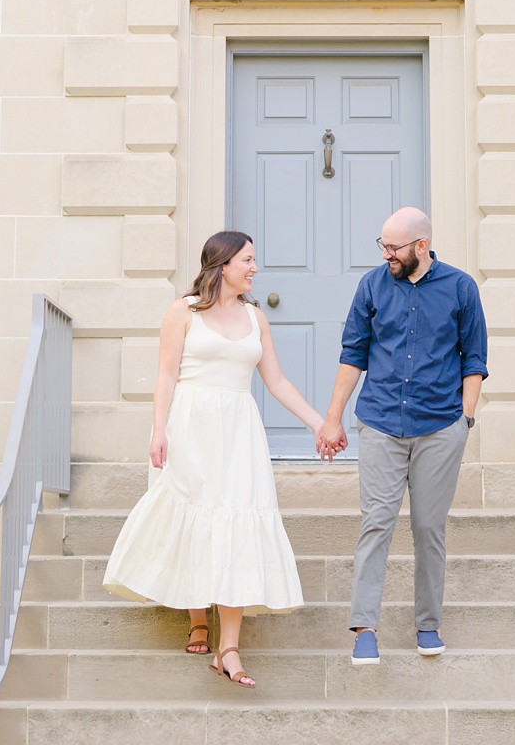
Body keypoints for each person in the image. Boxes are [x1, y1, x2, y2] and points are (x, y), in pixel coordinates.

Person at [101, 231, 328, 689]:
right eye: (247, 260)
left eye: (254, 260)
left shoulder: (255, 317)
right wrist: (159, 429)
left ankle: (229, 648)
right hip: (189, 424)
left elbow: (278, 382)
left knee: (236, 522)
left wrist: (319, 423)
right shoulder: (183, 310)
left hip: (238, 429)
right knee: (192, 513)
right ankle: (196, 618)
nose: (254, 268)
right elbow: (166, 375)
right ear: (222, 264)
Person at [313, 205, 487, 667]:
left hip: (440, 426)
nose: (386, 254)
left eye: (394, 247)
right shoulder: (371, 286)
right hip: (381, 422)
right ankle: (364, 628)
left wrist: (464, 421)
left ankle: (427, 624)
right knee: (377, 522)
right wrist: (333, 419)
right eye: (383, 246)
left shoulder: (461, 288)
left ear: (421, 246)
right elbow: (353, 354)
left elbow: (474, 359)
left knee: (429, 528)